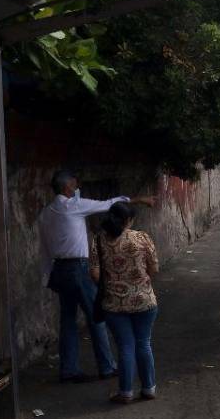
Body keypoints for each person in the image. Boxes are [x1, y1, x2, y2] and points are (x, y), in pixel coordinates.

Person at [38, 170, 154, 383]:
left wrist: (47, 276)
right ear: (67, 188)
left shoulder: (46, 213)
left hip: (60, 270)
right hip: (78, 268)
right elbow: (109, 204)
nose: (76, 189)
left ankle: (69, 369)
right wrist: (139, 200)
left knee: (68, 320)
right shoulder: (73, 206)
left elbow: (44, 249)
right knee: (96, 316)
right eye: (74, 185)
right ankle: (107, 366)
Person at [90, 202, 160, 404]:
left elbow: (94, 274)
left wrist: (112, 284)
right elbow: (154, 268)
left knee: (125, 347)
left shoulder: (99, 240)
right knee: (144, 343)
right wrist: (138, 282)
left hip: (114, 303)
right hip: (144, 301)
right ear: (129, 220)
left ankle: (126, 392)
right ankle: (149, 388)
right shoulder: (142, 237)